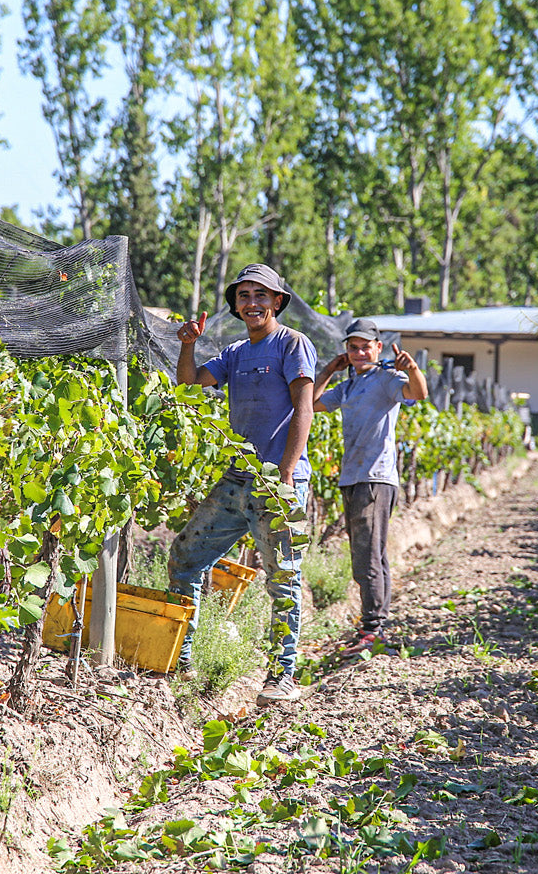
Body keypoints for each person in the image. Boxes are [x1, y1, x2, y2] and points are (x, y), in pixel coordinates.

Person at [169, 263, 316, 705]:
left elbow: (304, 408)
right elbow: (190, 385)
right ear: (236, 305)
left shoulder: (293, 344)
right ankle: (181, 660)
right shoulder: (235, 352)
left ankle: (281, 675)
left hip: (277, 481)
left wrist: (287, 473)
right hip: (237, 479)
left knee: (283, 580)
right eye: (243, 296)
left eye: (260, 295)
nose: (251, 303)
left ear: (277, 302)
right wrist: (189, 347)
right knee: (185, 556)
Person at [312, 318, 428, 656]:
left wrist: (414, 369)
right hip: (353, 478)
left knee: (368, 557)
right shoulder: (348, 386)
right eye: (353, 347)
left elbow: (417, 393)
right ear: (346, 352)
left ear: (378, 348)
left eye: (366, 346)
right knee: (368, 554)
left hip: (375, 479)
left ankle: (373, 630)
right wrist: (329, 371)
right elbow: (309, 404)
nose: (360, 352)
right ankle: (370, 626)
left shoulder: (386, 379)